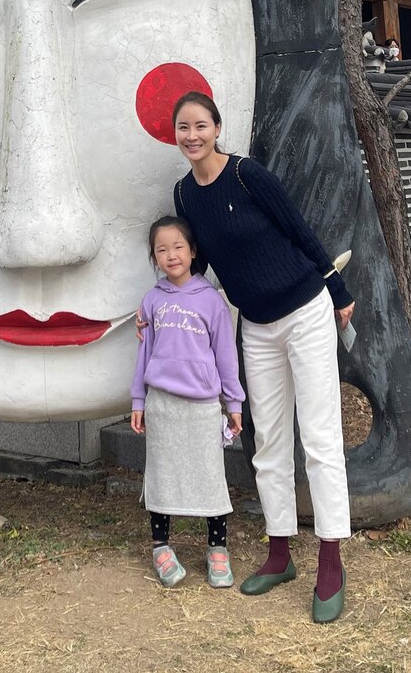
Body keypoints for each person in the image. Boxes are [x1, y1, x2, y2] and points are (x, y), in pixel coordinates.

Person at [170, 91, 355, 624]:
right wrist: (169, 304)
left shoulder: (249, 175)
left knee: (319, 439)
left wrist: (338, 291)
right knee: (269, 438)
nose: (192, 136)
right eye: (183, 127)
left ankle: (330, 560)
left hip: (304, 311)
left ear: (216, 127)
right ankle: (279, 553)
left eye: (201, 125)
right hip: (255, 324)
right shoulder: (185, 195)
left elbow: (299, 229)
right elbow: (200, 262)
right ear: (175, 134)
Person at [130, 216, 244, 589]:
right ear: (154, 258)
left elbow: (226, 355)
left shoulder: (212, 301)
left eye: (178, 246)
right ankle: (160, 546)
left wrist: (234, 402)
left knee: (211, 478)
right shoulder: (151, 301)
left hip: (202, 408)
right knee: (161, 476)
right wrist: (138, 400)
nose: (171, 255)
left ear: (193, 251)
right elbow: (144, 355)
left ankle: (217, 549)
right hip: (162, 405)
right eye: (161, 250)